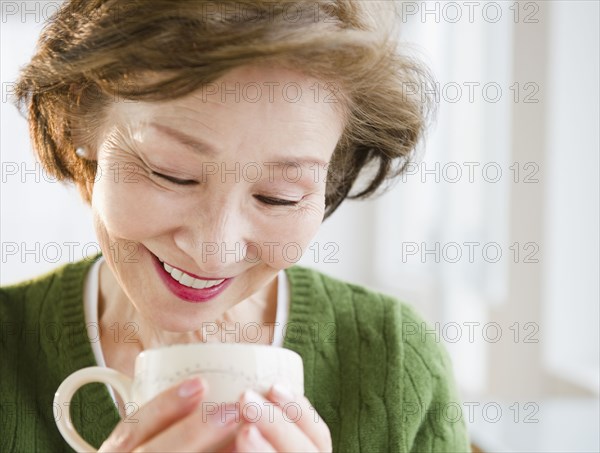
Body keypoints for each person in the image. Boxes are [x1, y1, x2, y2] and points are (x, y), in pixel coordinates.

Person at [1, 0, 470, 451]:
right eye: (172, 173)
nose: (214, 251)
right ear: (79, 121)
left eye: (278, 197)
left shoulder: (395, 355)